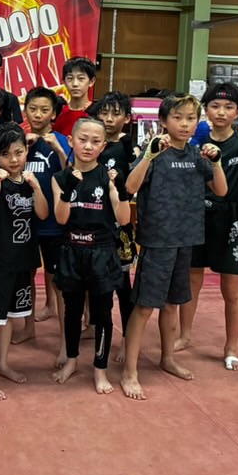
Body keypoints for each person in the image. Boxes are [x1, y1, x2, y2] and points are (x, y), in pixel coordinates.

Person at [120, 94, 228, 401]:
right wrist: (149, 155)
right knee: (145, 306)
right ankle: (129, 372)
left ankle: (167, 358)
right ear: (164, 121)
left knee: (171, 304)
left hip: (186, 239)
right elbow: (129, 187)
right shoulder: (154, 151)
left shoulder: (197, 154)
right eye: (178, 117)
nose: (184, 124)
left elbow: (221, 190)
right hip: (158, 241)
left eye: (191, 118)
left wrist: (217, 162)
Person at [176, 82, 238, 370]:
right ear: (205, 110)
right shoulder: (194, 139)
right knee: (191, 281)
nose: (221, 112)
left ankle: (231, 347)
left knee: (231, 288)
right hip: (196, 214)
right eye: (215, 106)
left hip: (231, 217)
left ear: (237, 112)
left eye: (228, 107)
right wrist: (193, 146)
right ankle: (184, 336)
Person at [51, 118, 130, 393]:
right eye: (82, 139)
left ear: (103, 146)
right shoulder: (60, 178)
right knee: (72, 311)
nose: (88, 146)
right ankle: (72, 360)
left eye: (95, 142)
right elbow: (61, 219)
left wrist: (119, 191)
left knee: (102, 313)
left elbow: (124, 218)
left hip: (102, 250)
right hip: (72, 249)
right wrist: (68, 192)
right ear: (71, 141)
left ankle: (100, 368)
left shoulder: (109, 177)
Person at [0, 123, 48, 401]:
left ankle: (2, 364)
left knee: (8, 319)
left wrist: (37, 187)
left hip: (23, 260)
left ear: (26, 151)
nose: (13, 159)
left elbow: (42, 214)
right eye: (6, 154)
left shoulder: (28, 182)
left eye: (18, 152)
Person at [15, 87, 70, 361]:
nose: (38, 114)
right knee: (26, 277)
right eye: (33, 109)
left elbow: (73, 174)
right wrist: (22, 148)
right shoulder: (19, 141)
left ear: (54, 114)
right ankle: (28, 327)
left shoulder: (61, 141)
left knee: (59, 283)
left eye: (44, 110)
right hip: (24, 221)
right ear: (25, 111)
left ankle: (65, 342)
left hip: (54, 225)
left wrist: (58, 149)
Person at [93, 91, 137, 362]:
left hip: (119, 223)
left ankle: (127, 338)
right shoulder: (92, 142)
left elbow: (134, 183)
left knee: (122, 284)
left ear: (127, 118)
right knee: (95, 283)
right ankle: (95, 329)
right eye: (104, 113)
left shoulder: (128, 148)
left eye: (115, 114)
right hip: (92, 220)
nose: (109, 119)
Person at [53, 56, 97, 136]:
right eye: (70, 78)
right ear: (64, 82)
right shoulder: (58, 111)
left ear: (91, 81)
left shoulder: (96, 112)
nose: (75, 84)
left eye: (81, 78)